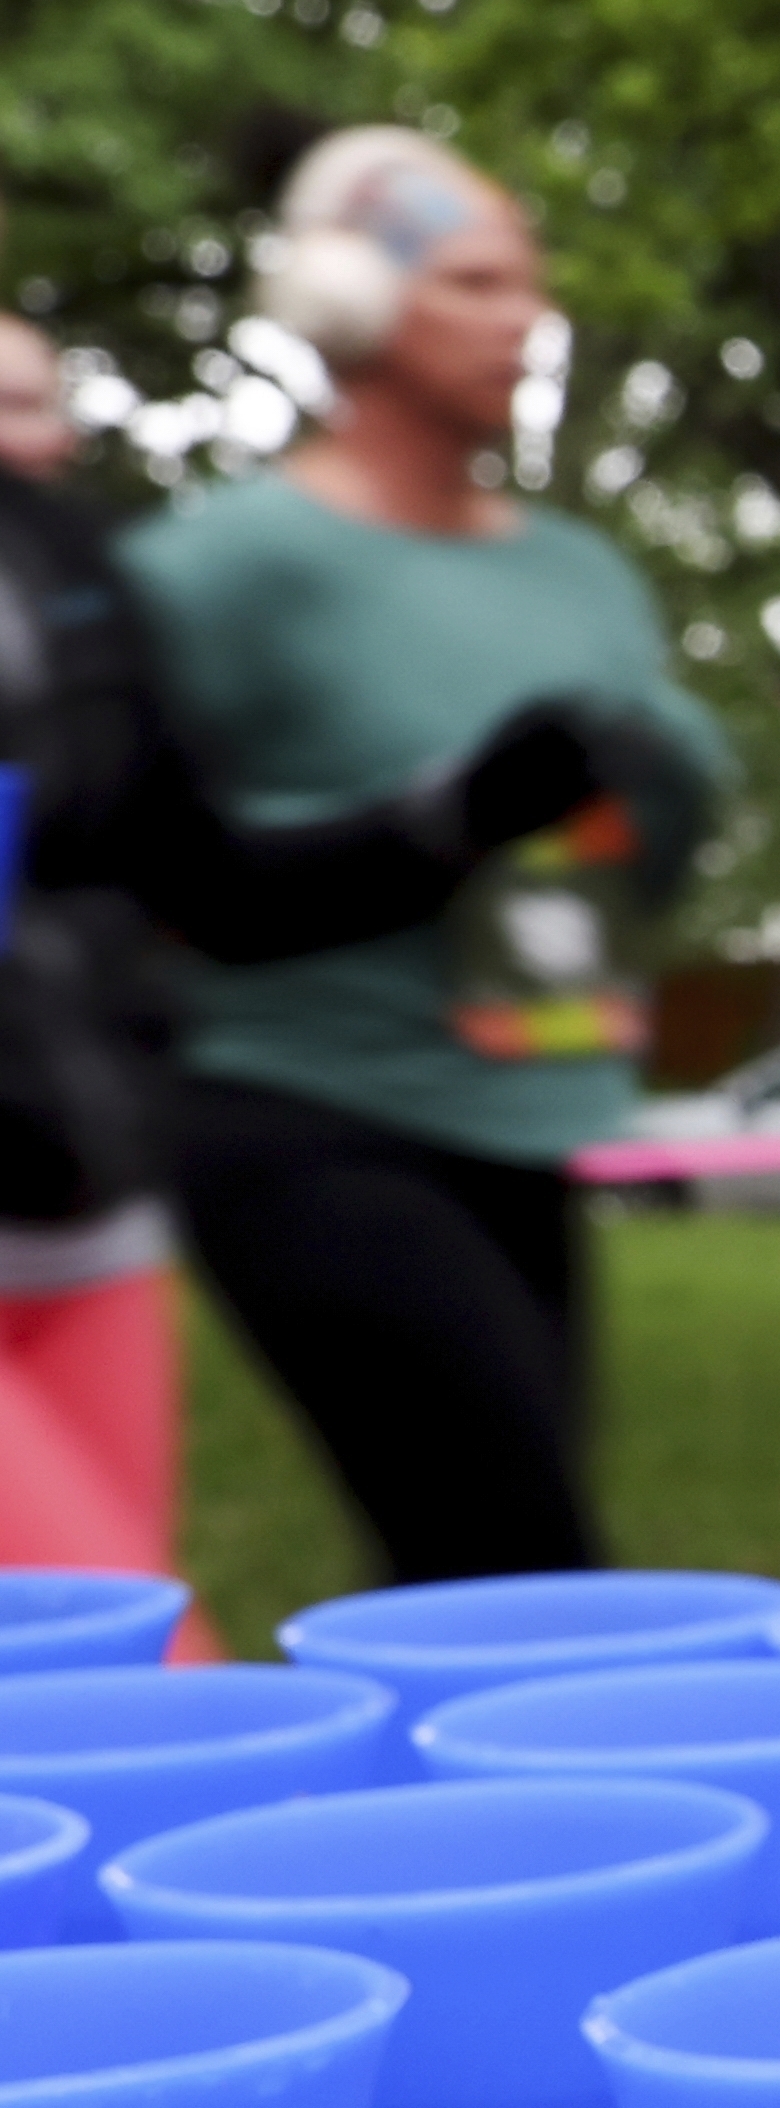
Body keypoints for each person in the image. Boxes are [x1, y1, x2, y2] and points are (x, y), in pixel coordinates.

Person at [121, 130, 728, 1588]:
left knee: (467, 1586)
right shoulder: (226, 570)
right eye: (475, 282)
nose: (524, 317)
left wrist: (665, 798)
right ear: (347, 307)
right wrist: (437, 815)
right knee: (524, 1569)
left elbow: (635, 863)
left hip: (523, 1116)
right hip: (302, 1119)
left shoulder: (581, 574)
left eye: (530, 285)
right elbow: (110, 848)